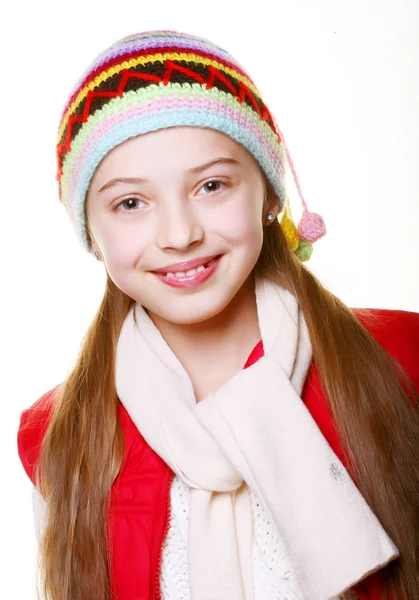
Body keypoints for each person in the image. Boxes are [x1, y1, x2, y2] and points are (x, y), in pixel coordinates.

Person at [17, 30, 419, 600]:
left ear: (269, 194)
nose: (180, 234)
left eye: (211, 185)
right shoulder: (57, 437)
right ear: (92, 233)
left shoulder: (405, 360)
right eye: (130, 203)